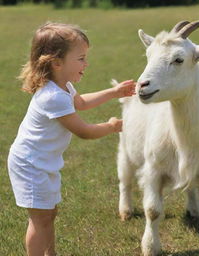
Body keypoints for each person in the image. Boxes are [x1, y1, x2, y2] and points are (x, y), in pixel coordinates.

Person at [7, 22, 136, 256]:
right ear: (57, 62)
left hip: (41, 162)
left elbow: (81, 103)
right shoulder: (52, 97)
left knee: (48, 214)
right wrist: (111, 126)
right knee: (40, 219)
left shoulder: (63, 87)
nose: (86, 64)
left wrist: (114, 92)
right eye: (81, 58)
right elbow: (84, 131)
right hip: (30, 165)